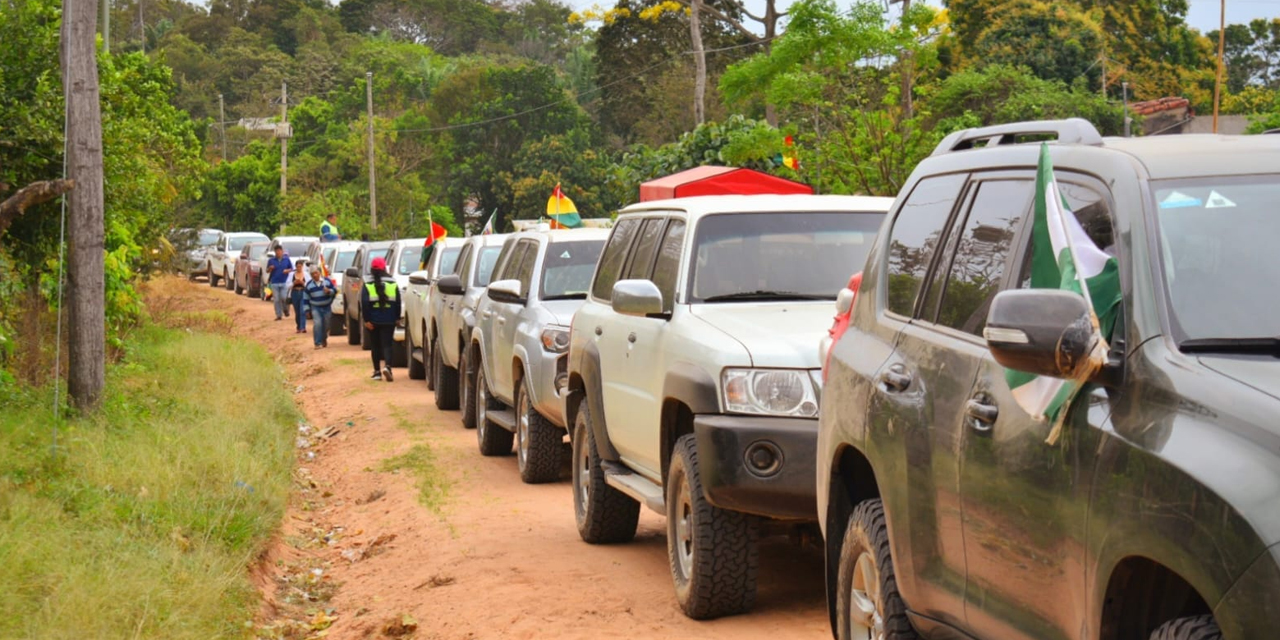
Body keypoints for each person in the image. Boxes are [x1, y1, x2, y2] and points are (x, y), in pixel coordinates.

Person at [360, 257, 401, 381]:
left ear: (372, 269)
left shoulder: (367, 284)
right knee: (387, 345)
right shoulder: (393, 283)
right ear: (385, 268)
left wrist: (366, 320)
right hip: (389, 319)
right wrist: (397, 318)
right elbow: (398, 303)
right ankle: (388, 367)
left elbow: (365, 303)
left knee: (375, 345)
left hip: (373, 320)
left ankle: (377, 372)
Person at [304, 265, 336, 348]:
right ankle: (317, 343)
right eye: (312, 274)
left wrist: (329, 291)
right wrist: (307, 310)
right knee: (318, 324)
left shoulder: (327, 282)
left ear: (319, 273)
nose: (315, 275)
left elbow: (335, 291)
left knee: (327, 325)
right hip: (315, 307)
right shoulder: (309, 285)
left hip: (327, 306)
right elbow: (305, 298)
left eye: (316, 273)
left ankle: (323, 338)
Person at [265, 245, 293, 321]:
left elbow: (291, 268)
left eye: (279, 251)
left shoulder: (286, 260)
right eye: (276, 251)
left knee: (284, 297)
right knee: (276, 299)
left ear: (282, 251)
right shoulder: (271, 260)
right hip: (274, 282)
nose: (278, 253)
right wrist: (270, 268)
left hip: (284, 281)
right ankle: (278, 315)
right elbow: (267, 271)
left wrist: (287, 271)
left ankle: (285, 309)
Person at [290, 266, 308, 333]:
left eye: (300, 267)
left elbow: (308, 284)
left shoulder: (306, 274)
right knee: (297, 311)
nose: (299, 268)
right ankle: (298, 326)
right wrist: (294, 283)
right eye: (298, 267)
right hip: (295, 293)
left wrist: (303, 283)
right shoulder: (292, 275)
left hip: (303, 292)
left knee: (302, 311)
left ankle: (303, 327)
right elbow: (287, 284)